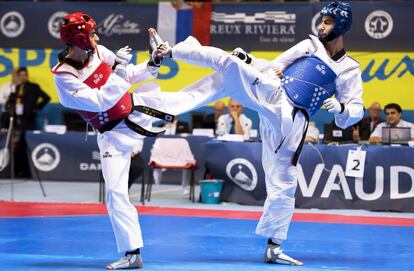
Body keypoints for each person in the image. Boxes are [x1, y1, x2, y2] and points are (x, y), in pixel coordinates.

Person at [154, 0, 363, 265]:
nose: (322, 26)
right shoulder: (308, 45)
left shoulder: (349, 69)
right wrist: (249, 60)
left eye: (328, 22)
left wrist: (343, 107)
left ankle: (274, 247)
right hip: (274, 94)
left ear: (341, 25)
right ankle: (169, 53)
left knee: (285, 181)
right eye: (322, 21)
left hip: (293, 121)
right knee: (227, 63)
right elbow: (275, 66)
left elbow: (355, 110)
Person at [52, 12, 236, 270]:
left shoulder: (101, 52)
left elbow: (128, 75)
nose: (97, 37)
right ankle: (132, 253)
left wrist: (153, 61)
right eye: (92, 34)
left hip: (138, 111)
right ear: (80, 39)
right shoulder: (64, 76)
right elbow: (100, 101)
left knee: (188, 97)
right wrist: (118, 70)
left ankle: (233, 70)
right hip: (112, 136)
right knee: (115, 193)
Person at [3, 66, 50, 177]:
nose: (23, 77)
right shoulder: (17, 88)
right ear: (18, 76)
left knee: (27, 144)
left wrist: (35, 107)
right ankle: (19, 170)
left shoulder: (33, 87)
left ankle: (29, 172)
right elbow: (9, 102)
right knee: (17, 146)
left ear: (27, 76)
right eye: (21, 75)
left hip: (28, 121)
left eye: (25, 75)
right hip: (17, 121)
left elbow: (46, 98)